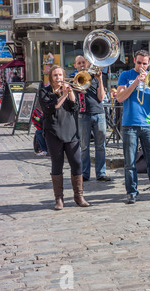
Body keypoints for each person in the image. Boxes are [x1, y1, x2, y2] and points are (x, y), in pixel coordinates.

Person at [116, 50, 150, 204]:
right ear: (134, 61)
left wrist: (149, 83)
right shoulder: (125, 75)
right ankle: (132, 192)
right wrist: (136, 81)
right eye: (139, 63)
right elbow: (120, 97)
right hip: (129, 124)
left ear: (149, 63)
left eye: (144, 63)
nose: (141, 66)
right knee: (130, 161)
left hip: (148, 124)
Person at [38, 65, 89, 210]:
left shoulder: (67, 89)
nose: (58, 78)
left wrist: (70, 92)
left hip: (70, 130)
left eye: (60, 75)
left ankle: (79, 196)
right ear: (51, 77)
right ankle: (59, 199)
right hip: (53, 132)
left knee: (77, 163)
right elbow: (50, 107)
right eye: (55, 75)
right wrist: (64, 95)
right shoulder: (44, 91)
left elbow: (75, 107)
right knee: (57, 164)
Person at [73, 55, 111, 182]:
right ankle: (85, 174)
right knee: (84, 147)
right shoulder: (75, 79)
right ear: (75, 66)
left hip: (98, 114)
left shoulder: (95, 78)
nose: (82, 65)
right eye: (79, 63)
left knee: (101, 146)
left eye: (83, 62)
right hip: (83, 115)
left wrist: (100, 80)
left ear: (88, 63)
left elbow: (101, 98)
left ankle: (101, 173)